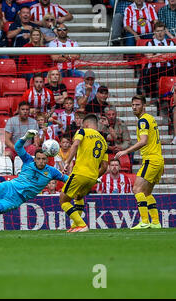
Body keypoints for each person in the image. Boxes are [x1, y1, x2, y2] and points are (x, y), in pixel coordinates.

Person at [114, 95, 163, 229]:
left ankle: (144, 221)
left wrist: (125, 151)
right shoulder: (150, 118)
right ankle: (156, 222)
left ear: (144, 106)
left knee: (137, 189)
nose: (134, 107)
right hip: (158, 159)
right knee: (146, 193)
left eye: (137, 105)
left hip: (151, 160)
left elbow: (143, 141)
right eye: (133, 105)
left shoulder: (142, 121)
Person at [60, 114, 109, 233]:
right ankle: (75, 226)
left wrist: (67, 162)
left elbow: (75, 144)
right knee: (78, 197)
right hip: (92, 177)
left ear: (86, 124)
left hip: (80, 173)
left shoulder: (82, 131)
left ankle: (81, 224)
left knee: (63, 200)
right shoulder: (103, 141)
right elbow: (105, 166)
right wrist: (94, 176)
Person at [138, 21, 175, 100]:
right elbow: (150, 58)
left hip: (168, 68)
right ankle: (153, 96)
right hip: (154, 69)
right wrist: (164, 55)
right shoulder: (149, 43)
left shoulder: (170, 42)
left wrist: (157, 56)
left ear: (165, 31)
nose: (160, 33)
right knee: (149, 72)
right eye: (158, 31)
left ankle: (170, 95)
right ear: (154, 32)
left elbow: (171, 56)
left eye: (162, 31)